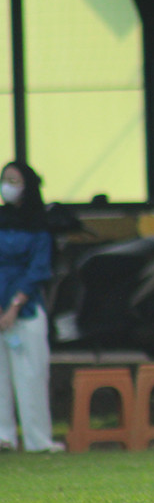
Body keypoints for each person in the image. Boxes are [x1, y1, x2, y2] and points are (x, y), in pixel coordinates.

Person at [0, 161, 61, 453]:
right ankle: (4, 436)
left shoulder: (39, 225)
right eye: (5, 180)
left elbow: (37, 270)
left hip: (25, 310)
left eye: (14, 180)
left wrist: (13, 307)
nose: (8, 186)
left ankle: (38, 440)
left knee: (31, 375)